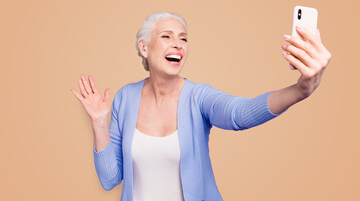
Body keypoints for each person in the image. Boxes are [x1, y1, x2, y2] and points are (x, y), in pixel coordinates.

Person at [71, 12, 331, 201]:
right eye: (166, 36)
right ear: (144, 48)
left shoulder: (198, 97)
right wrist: (99, 123)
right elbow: (109, 180)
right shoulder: (125, 98)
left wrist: (300, 90)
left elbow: (239, 114)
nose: (178, 44)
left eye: (183, 39)